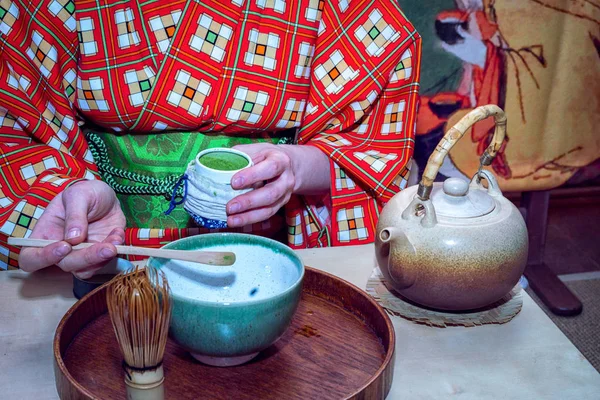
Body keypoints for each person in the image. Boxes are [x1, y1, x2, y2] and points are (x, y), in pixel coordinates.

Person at [0, 0, 421, 278]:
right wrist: (72, 198)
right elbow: (18, 124)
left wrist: (294, 168)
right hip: (108, 253)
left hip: (265, 257)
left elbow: (375, 149)